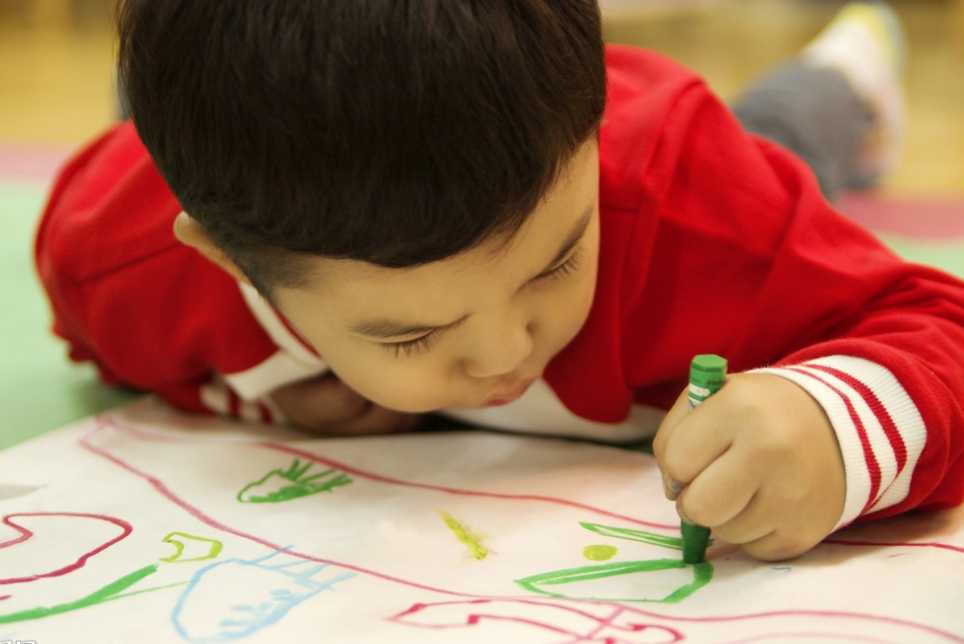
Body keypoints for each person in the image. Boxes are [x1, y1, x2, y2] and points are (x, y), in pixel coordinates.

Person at [34, 0, 963, 561]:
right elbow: (99, 336)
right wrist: (266, 406)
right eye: (408, 334)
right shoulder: (125, 262)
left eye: (556, 261)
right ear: (233, 262)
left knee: (785, 135)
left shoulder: (683, 196)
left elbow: (940, 328)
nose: (507, 353)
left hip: (698, 177)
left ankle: (848, 74)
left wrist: (834, 432)